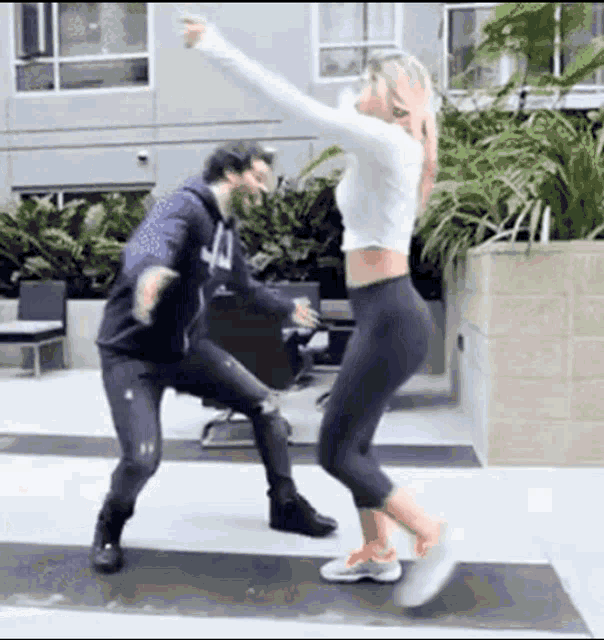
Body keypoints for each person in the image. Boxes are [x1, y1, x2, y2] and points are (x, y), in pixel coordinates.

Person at [184, 18, 457, 608]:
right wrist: (374, 94)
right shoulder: (389, 143)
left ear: (392, 101)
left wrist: (215, 45)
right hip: (385, 313)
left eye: (368, 82)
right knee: (358, 444)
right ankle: (377, 551)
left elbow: (295, 104)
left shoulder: (385, 143)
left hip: (391, 317)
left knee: (336, 451)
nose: (356, 88)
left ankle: (429, 532)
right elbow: (344, 106)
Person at [92, 139, 338, 574]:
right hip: (132, 355)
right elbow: (151, 242)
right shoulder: (184, 207)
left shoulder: (227, 230)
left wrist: (286, 308)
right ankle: (109, 525)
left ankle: (285, 504)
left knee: (265, 406)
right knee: (142, 458)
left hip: (186, 350)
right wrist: (150, 273)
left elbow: (245, 286)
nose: (264, 189)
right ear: (231, 173)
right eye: (258, 178)